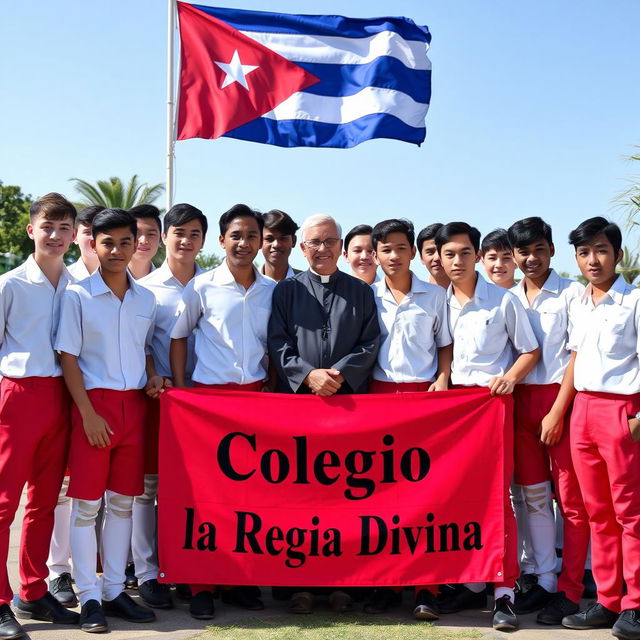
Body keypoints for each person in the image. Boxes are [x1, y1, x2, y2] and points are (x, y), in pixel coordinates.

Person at [56, 208, 161, 633]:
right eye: (107, 243)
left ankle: (116, 590)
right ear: (93, 244)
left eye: (124, 241)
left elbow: (145, 349)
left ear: (137, 243)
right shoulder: (77, 295)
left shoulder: (147, 298)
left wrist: (154, 376)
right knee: (85, 507)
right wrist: (87, 414)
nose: (117, 250)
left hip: (134, 407)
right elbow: (68, 357)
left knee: (123, 504)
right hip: (93, 408)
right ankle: (89, 597)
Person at [267, 214, 380, 613]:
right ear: (303, 248)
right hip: (298, 407)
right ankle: (298, 587)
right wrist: (307, 375)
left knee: (345, 498)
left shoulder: (361, 292)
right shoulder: (285, 291)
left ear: (341, 247)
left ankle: (346, 585)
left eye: (330, 241)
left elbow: (370, 343)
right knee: (300, 499)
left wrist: (338, 376)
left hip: (348, 408)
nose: (323, 249)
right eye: (315, 242)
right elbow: (277, 341)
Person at [171, 203, 275, 619]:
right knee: (207, 497)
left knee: (250, 494)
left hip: (256, 400)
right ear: (222, 240)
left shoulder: (272, 290)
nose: (244, 242)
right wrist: (181, 392)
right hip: (209, 402)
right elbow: (179, 338)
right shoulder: (201, 287)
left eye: (252, 236)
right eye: (236, 235)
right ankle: (202, 585)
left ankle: (239, 581)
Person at [436, 221, 540, 632]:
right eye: (449, 254)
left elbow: (529, 349)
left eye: (464, 252)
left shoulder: (503, 301)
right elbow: (444, 348)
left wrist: (511, 377)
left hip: (491, 405)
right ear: (439, 259)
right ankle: (469, 580)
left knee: (499, 501)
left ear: (476, 255)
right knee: (455, 498)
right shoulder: (437, 300)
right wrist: (443, 375)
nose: (457, 260)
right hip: (450, 409)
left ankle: (505, 593)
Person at [542, 217, 640, 639]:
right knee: (598, 515)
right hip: (583, 410)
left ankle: (635, 605)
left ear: (617, 254)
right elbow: (575, 359)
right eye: (584, 252)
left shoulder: (635, 302)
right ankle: (607, 601)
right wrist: (565, 412)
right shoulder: (578, 302)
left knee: (630, 515)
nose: (592, 259)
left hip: (622, 411)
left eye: (601, 250)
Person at [0, 193, 80, 639]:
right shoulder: (9, 284)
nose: (55, 235)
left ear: (74, 234)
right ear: (32, 230)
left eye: (64, 227)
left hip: (62, 397)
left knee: (46, 503)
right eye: (47, 227)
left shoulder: (78, 285)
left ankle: (33, 590)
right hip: (19, 395)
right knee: (3, 504)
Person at [506, 217, 590, 624]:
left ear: (552, 251)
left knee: (572, 503)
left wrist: (558, 410)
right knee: (531, 499)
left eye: (539, 249)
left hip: (562, 402)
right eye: (523, 251)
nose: (531, 258)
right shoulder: (507, 295)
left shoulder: (573, 293)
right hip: (519, 403)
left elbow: (577, 356)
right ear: (513, 254)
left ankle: (574, 586)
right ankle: (543, 579)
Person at [367, 218, 452, 621]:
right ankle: (386, 583)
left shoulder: (435, 297)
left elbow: (445, 347)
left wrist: (442, 379)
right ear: (376, 254)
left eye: (401, 248)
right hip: (379, 397)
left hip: (423, 398)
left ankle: (426, 587)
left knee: (425, 494)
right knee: (383, 493)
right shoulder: (366, 296)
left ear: (413, 252)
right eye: (386, 249)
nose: (393, 256)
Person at [133, 203, 207, 610]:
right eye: (179, 232)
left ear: (204, 240)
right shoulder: (147, 289)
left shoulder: (212, 283)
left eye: (194, 233)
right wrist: (152, 373)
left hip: (209, 404)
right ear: (164, 236)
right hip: (159, 399)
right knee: (149, 488)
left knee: (199, 490)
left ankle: (191, 566)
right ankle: (147, 572)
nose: (186, 240)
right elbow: (141, 343)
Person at [260, 209, 300, 281]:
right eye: (269, 239)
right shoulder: (245, 283)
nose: (276, 245)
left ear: (293, 241)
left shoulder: (308, 286)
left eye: (283, 238)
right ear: (259, 242)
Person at [67, 205, 104, 280]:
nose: (94, 238)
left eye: (101, 232)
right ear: (74, 236)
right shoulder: (63, 280)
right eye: (88, 232)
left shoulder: (130, 278)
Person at [128, 204, 161, 280]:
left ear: (160, 239)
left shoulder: (168, 286)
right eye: (136, 233)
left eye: (151, 234)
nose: (143, 241)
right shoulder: (106, 281)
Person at [417, 223, 449, 288]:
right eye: (430, 252)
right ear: (421, 258)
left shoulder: (473, 294)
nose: (437, 258)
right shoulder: (414, 297)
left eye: (441, 251)